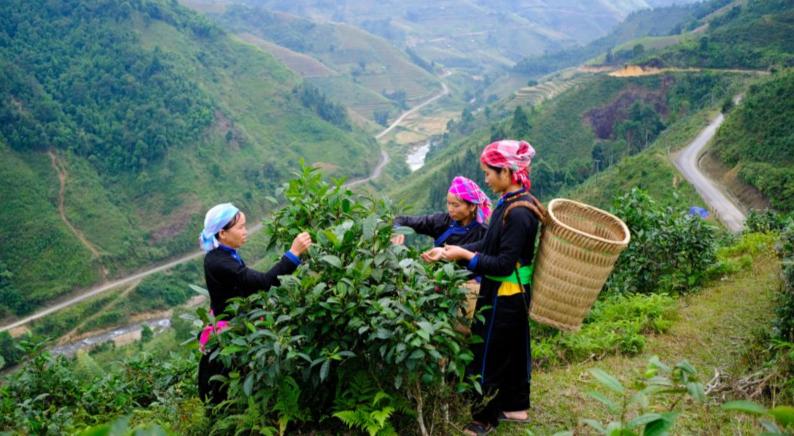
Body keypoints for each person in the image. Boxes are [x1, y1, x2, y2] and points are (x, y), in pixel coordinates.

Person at [422, 140, 540, 435]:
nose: (485, 179)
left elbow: (501, 263)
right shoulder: (510, 203)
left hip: (506, 293)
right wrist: (450, 251)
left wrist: (464, 256)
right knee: (511, 350)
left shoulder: (520, 213)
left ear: (508, 172)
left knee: (486, 354)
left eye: (489, 173)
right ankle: (515, 407)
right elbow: (489, 246)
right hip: (505, 291)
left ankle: (483, 418)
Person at [197, 203, 312, 405]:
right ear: (222, 233)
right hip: (232, 332)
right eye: (240, 227)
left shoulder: (223, 254)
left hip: (232, 323)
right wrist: (293, 253)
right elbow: (264, 283)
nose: (245, 231)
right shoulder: (221, 262)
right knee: (224, 388)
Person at [392, 176, 491, 249]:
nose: (450, 209)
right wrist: (397, 231)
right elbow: (403, 220)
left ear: (472, 206)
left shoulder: (484, 233)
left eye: (456, 205)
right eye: (448, 203)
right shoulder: (440, 221)